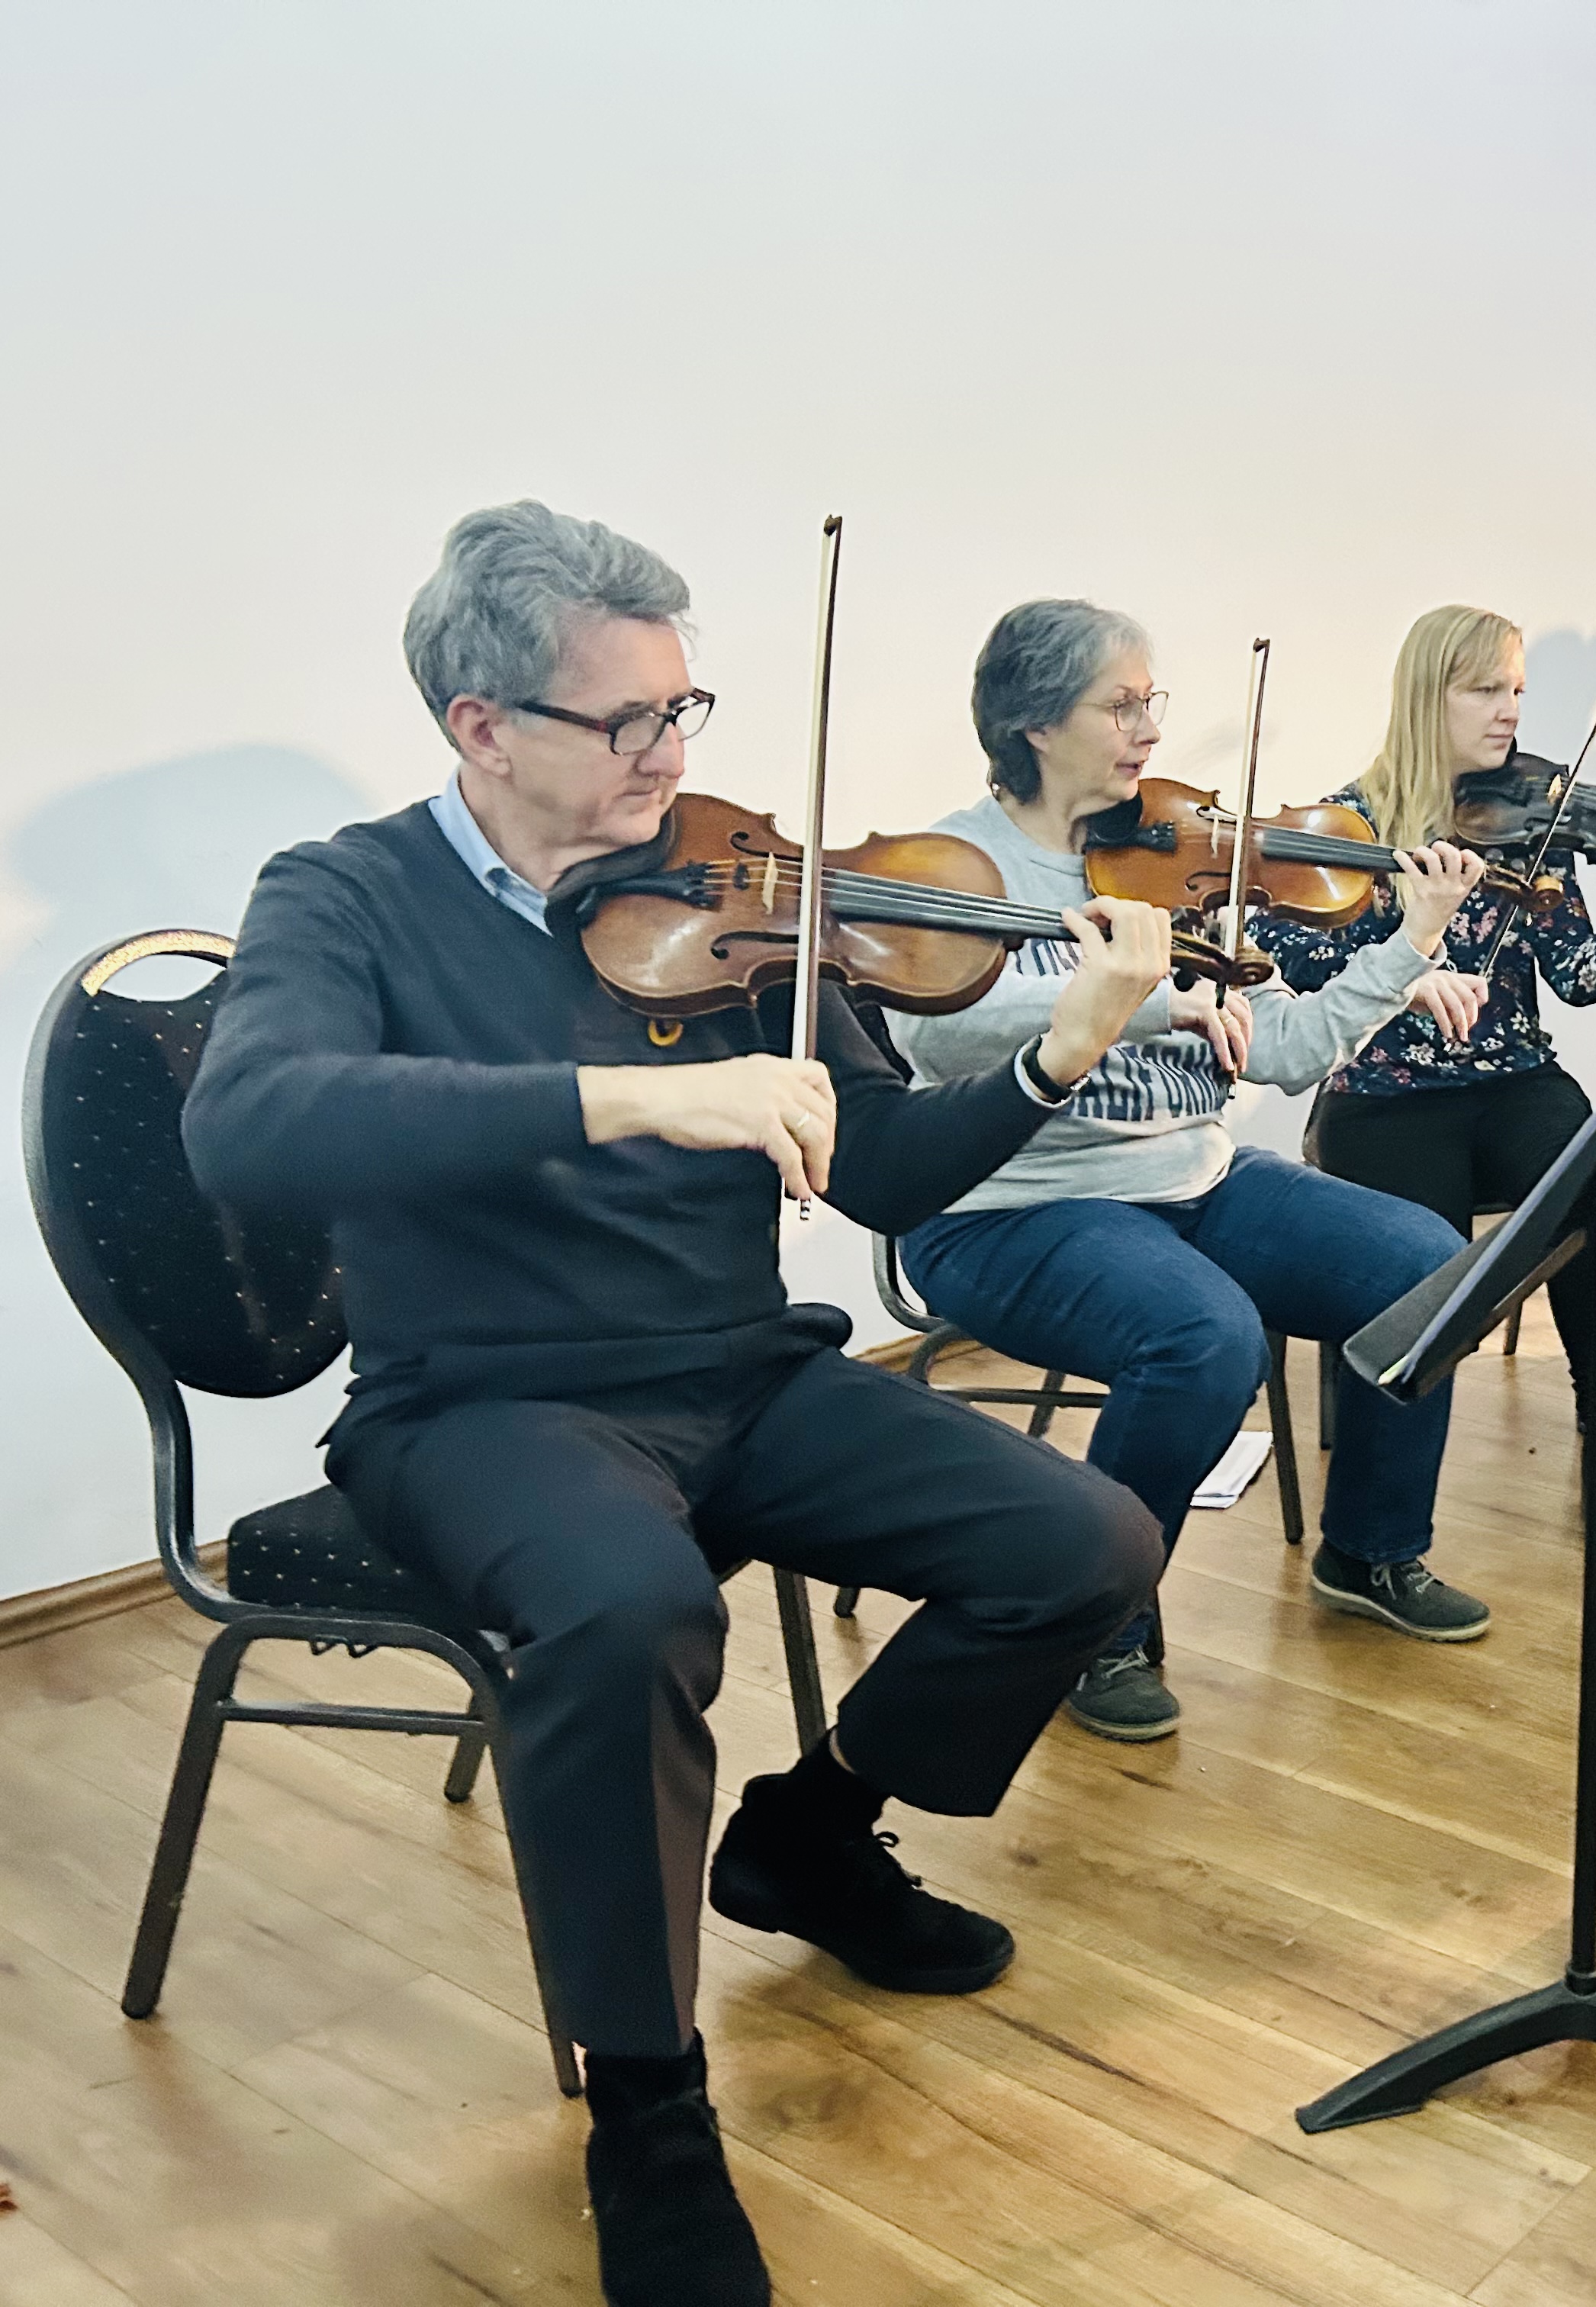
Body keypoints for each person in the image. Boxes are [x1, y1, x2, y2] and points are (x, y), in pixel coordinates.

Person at [182, 504, 1176, 2307]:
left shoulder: (733, 890)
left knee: (1087, 1540)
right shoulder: (344, 894)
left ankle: (809, 1837)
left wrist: (1063, 1047)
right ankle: (648, 2106)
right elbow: (251, 1128)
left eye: (682, 708)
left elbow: (883, 1168)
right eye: (627, 720)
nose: (671, 755)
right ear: (483, 726)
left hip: (734, 1371)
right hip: (479, 1406)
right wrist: (629, 1098)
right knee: (634, 1610)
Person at [893, 599, 1499, 1742]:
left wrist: (1410, 943)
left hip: (1193, 1179)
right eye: (1121, 705)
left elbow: (1286, 1047)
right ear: (1035, 724)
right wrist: (1145, 1000)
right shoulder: (957, 866)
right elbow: (940, 1030)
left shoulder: (1171, 862)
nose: (1150, 729)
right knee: (1206, 1338)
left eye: (1150, 702)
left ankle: (1370, 1551)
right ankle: (1095, 1624)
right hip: (1018, 1207)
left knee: (1425, 1265)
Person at [1259, 605, 1596, 1566]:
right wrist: (1403, 971)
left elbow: (1578, 975)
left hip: (1515, 1078)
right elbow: (1288, 950)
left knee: (1594, 1202)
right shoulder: (1344, 826)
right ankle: (1382, 1526)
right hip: (1385, 1094)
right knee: (1418, 1270)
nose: (1510, 711)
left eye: (1518, 689)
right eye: (1486, 689)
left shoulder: (1532, 824)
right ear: (1429, 695)